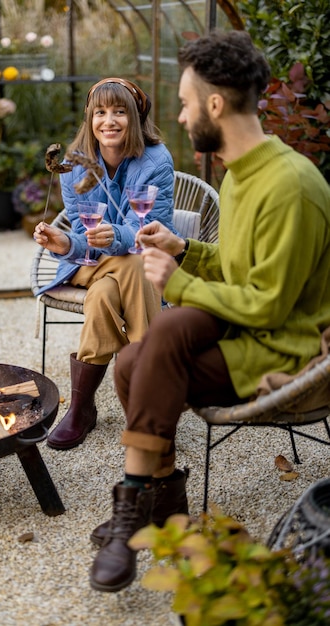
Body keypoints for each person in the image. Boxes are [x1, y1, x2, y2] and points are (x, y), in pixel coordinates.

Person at [89, 30, 330, 593]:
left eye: (185, 101)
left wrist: (181, 282)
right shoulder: (243, 173)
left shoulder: (290, 185)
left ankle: (134, 514)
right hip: (242, 325)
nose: (179, 111)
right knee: (135, 360)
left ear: (215, 105)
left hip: (282, 347)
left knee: (146, 353)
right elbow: (241, 264)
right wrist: (186, 250)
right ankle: (162, 503)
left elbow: (269, 302)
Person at [34, 78, 177, 451]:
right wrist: (63, 242)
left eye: (118, 112)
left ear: (134, 117)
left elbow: (149, 232)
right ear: (89, 118)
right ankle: (149, 398)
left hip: (145, 261)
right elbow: (86, 243)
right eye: (100, 112)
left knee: (104, 295)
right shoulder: (75, 166)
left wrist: (115, 236)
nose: (108, 121)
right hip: (93, 262)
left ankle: (81, 408)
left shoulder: (155, 161)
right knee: (124, 268)